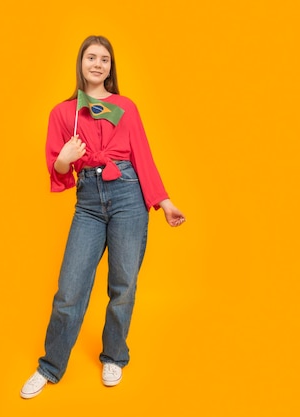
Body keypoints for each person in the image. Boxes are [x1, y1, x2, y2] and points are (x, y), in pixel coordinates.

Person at [20, 35, 186, 399]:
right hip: (89, 201)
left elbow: (142, 155)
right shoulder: (63, 113)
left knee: (123, 285)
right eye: (91, 57)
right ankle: (50, 366)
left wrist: (165, 201)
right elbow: (59, 170)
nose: (98, 64)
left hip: (129, 195)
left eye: (105, 59)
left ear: (111, 69)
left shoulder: (127, 106)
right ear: (80, 63)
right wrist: (65, 157)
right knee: (70, 289)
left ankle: (114, 355)